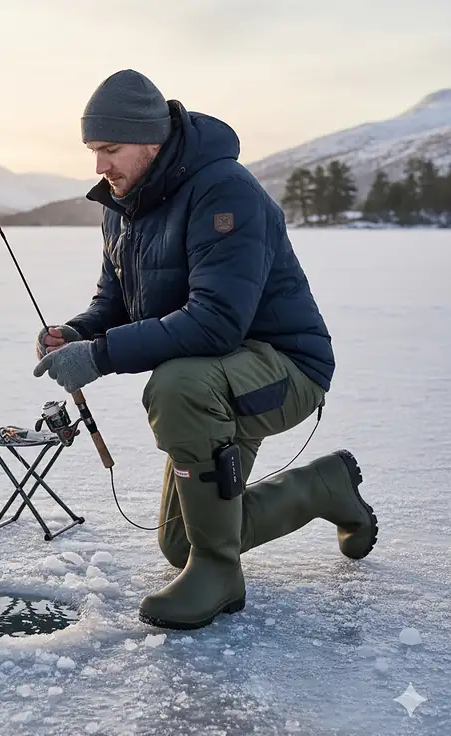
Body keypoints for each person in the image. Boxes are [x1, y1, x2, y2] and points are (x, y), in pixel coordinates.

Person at [33, 69, 378, 631]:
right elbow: (114, 304)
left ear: (151, 140)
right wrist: (75, 334)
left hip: (285, 367)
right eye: (94, 151)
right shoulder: (125, 204)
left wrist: (99, 356)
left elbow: (216, 322)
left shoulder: (225, 191)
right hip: (220, 374)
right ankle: (324, 487)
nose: (100, 166)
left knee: (178, 386)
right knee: (179, 543)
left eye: (110, 149)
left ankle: (219, 575)